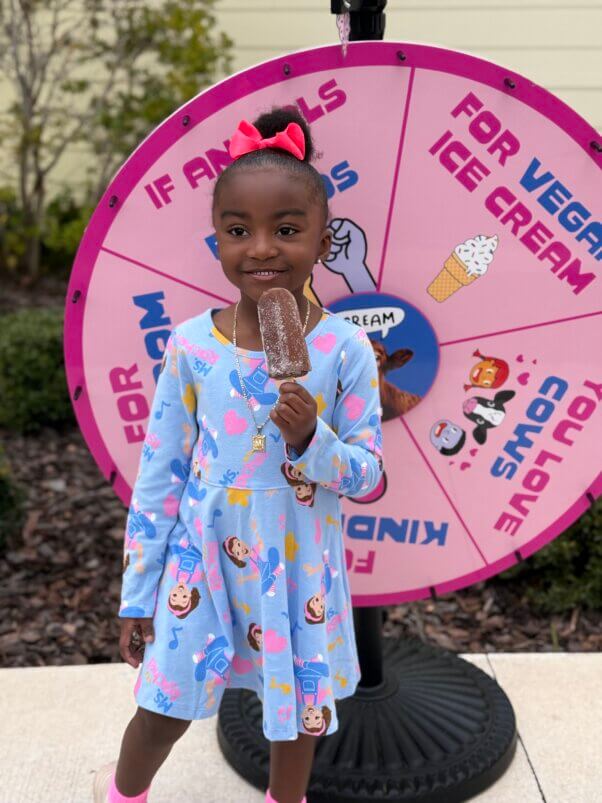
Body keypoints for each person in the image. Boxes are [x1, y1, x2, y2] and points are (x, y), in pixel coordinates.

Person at [93, 106, 384, 803]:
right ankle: (123, 794)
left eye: (286, 229)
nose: (260, 248)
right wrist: (140, 591)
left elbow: (368, 475)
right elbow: (159, 477)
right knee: (163, 703)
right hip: (204, 562)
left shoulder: (343, 348)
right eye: (237, 230)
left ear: (322, 240)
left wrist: (313, 440)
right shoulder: (192, 345)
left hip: (299, 569)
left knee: (295, 712)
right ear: (216, 239)